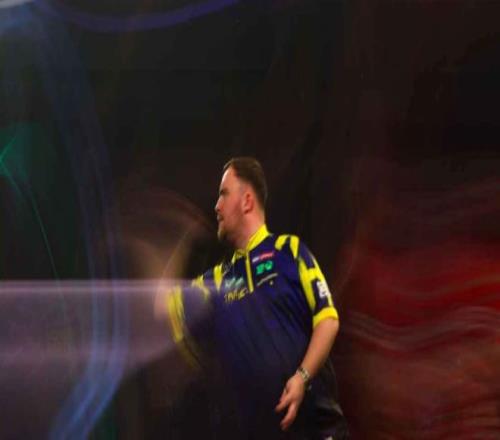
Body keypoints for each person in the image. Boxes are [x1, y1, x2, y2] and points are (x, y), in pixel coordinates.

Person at [158, 157, 348, 439]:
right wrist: (184, 236)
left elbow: (328, 321)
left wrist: (302, 377)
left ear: (247, 201)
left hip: (319, 429)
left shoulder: (289, 251)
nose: (217, 206)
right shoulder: (218, 280)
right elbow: (162, 305)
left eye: (224, 194)